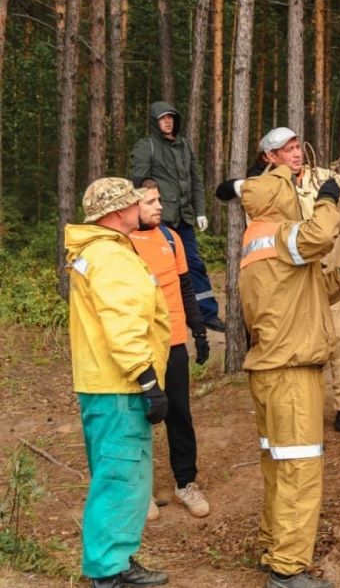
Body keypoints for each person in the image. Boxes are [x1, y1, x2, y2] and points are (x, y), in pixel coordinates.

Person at [218, 127, 340, 440]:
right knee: (301, 351)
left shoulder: (321, 177)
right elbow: (227, 191)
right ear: (270, 156)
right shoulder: (265, 189)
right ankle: (300, 419)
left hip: (329, 277)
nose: (296, 153)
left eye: (297, 146)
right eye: (287, 149)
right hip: (291, 285)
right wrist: (238, 184)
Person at [238, 159, 340, 588]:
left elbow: (309, 291)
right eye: (289, 188)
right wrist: (329, 200)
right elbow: (320, 234)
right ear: (276, 198)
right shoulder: (281, 235)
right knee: (300, 470)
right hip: (291, 375)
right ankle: (287, 571)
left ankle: (273, 545)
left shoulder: (258, 243)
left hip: (270, 371)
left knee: (278, 465)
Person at [64, 177, 172, 588]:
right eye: (133, 202)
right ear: (116, 212)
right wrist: (147, 380)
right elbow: (123, 322)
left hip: (107, 384)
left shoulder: (102, 251)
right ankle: (108, 572)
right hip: (120, 386)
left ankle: (117, 560)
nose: (140, 206)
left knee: (122, 477)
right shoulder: (110, 256)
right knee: (121, 477)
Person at [129, 179, 211, 520]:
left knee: (180, 413)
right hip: (141, 346)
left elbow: (185, 285)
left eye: (159, 200)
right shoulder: (124, 243)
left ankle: (185, 483)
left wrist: (199, 330)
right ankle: (140, 491)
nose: (158, 206)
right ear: (132, 208)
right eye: (150, 202)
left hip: (175, 341)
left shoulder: (170, 237)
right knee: (139, 417)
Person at [131, 101, 225, 333]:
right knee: (159, 268)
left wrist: (200, 211)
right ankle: (161, 315)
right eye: (162, 117)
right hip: (160, 218)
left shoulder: (184, 146)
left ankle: (207, 314)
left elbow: (196, 180)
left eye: (170, 117)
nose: (167, 121)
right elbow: (137, 181)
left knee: (193, 265)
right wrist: (147, 210)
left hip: (184, 218)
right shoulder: (147, 146)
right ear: (155, 121)